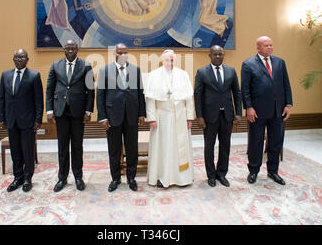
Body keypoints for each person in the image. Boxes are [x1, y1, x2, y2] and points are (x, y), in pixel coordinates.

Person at [241, 36, 293, 185]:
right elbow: (245, 89)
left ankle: (273, 171)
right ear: (258, 48)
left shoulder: (280, 62)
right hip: (257, 111)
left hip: (278, 111)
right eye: (266, 45)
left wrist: (288, 105)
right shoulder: (248, 64)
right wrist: (248, 108)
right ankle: (253, 171)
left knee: (276, 141)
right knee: (255, 142)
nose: (270, 48)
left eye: (271, 45)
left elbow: (286, 84)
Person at [46, 40, 95, 192]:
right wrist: (49, 111)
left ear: (77, 49)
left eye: (73, 48)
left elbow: (91, 91)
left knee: (77, 146)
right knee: (62, 146)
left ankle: (78, 177)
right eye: (68, 48)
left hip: (78, 112)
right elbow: (49, 88)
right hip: (60, 111)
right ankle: (62, 178)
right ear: (64, 49)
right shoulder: (55, 65)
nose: (70, 50)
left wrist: (88, 111)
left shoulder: (86, 66)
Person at [97, 43, 146, 192]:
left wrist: (142, 113)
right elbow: (100, 96)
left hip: (132, 115)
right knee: (114, 149)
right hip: (113, 117)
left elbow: (140, 93)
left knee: (132, 148)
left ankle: (131, 178)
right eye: (120, 52)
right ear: (115, 54)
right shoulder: (104, 71)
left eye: (125, 52)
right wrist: (102, 117)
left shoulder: (135, 70)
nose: (122, 55)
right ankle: (115, 178)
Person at [145, 49, 195, 188]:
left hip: (180, 116)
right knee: (163, 148)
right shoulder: (154, 75)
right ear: (162, 60)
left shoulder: (183, 74)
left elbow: (189, 99)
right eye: (167, 60)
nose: (170, 63)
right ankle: (162, 177)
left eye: (172, 60)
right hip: (162, 117)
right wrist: (151, 118)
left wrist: (189, 117)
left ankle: (182, 178)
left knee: (180, 148)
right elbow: (150, 100)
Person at [194, 45, 242, 187]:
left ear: (223, 55)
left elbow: (237, 93)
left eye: (220, 54)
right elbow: (198, 96)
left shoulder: (231, 71)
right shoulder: (202, 72)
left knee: (225, 146)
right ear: (209, 55)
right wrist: (199, 116)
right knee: (209, 146)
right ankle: (211, 175)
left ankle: (221, 173)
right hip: (209, 117)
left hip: (227, 115)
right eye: (215, 54)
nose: (218, 57)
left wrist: (239, 112)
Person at [0, 49, 44, 193]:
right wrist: (1, 118)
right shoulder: (5, 75)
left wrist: (38, 120)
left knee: (28, 151)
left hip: (28, 121)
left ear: (27, 59)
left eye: (22, 57)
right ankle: (17, 177)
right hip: (11, 120)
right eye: (17, 57)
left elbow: (38, 100)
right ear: (13, 59)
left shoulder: (34, 76)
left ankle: (27, 179)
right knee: (15, 150)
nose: (20, 59)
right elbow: (1, 98)